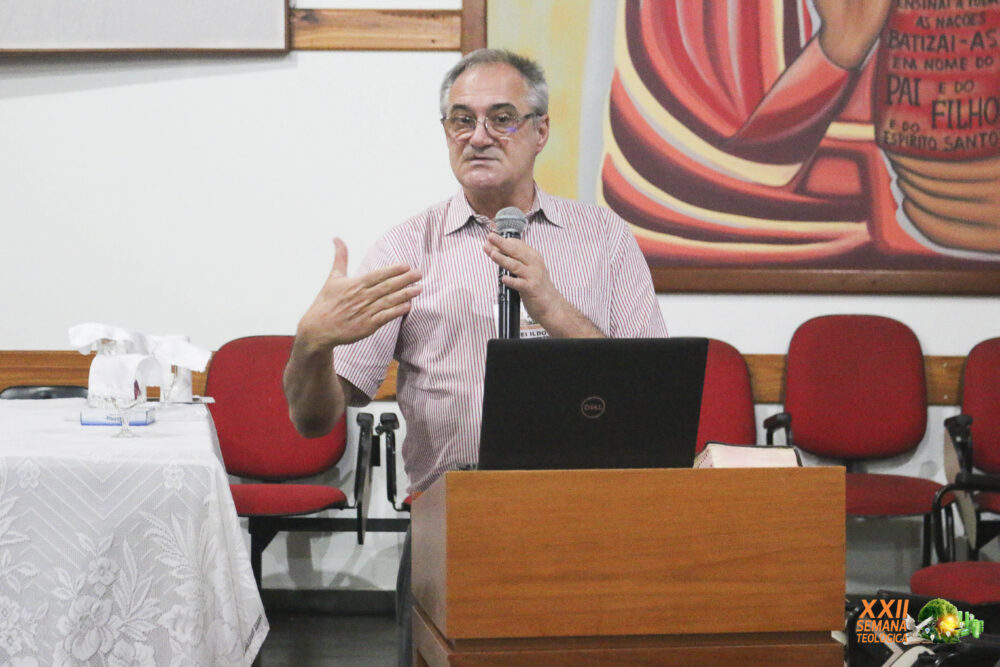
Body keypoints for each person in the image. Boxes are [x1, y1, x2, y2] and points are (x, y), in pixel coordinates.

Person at [283, 48, 667, 666]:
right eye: (461, 120)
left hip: (587, 524)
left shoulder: (605, 241)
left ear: (541, 131)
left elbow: (651, 394)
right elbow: (314, 420)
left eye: (502, 118)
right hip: (450, 526)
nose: (479, 136)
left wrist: (554, 309)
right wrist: (310, 345)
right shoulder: (407, 249)